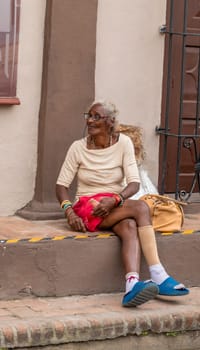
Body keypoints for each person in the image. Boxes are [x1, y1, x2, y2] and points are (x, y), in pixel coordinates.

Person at [56, 100, 189, 307]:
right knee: (141, 207)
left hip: (113, 206)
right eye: (88, 116)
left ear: (111, 122)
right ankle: (158, 274)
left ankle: (131, 285)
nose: (90, 121)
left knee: (129, 225)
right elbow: (61, 186)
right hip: (87, 206)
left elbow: (134, 183)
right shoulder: (78, 148)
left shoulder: (124, 143)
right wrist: (69, 212)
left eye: (96, 117)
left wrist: (116, 199)